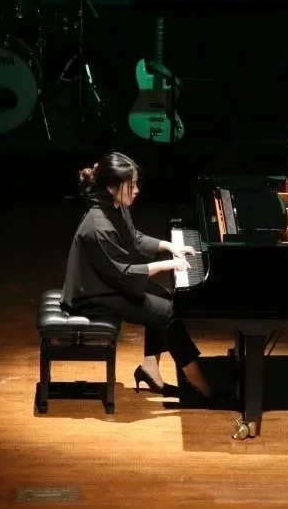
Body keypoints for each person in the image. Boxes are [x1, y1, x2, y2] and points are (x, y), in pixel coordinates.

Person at [60, 151, 222, 402]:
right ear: (113, 187)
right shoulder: (98, 224)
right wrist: (169, 264)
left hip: (108, 282)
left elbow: (134, 239)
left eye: (136, 183)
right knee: (168, 312)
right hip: (92, 294)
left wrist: (169, 246)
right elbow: (124, 274)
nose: (136, 190)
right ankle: (201, 387)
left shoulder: (115, 205)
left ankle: (150, 368)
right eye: (131, 185)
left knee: (164, 297)